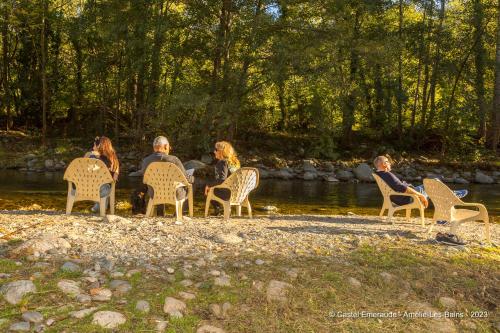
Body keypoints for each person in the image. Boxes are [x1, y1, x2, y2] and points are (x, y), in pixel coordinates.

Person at [373, 156, 467, 209]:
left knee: (433, 189)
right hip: (407, 198)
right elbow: (403, 188)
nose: (389, 163)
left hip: (399, 197)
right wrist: (421, 196)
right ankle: (452, 195)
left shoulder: (379, 174)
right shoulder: (387, 174)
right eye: (387, 161)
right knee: (435, 182)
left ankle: (451, 196)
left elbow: (399, 187)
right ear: (384, 164)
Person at [140, 136, 194, 223]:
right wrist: (192, 178)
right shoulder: (173, 160)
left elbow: (144, 178)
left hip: (154, 192)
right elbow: (186, 179)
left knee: (158, 184)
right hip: (173, 193)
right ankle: (179, 213)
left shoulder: (146, 161)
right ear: (165, 146)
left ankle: (160, 214)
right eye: (168, 147)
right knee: (189, 186)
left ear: (154, 147)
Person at [204, 141, 240, 215]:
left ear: (221, 152)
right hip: (238, 193)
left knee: (206, 188)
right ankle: (220, 210)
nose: (214, 151)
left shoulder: (222, 162)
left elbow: (221, 180)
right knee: (212, 186)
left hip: (228, 194)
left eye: (216, 150)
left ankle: (218, 210)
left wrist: (209, 185)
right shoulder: (235, 162)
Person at [87, 136, 120, 213]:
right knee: (105, 187)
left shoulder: (109, 159)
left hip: (90, 185)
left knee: (104, 187)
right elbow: (115, 178)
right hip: (96, 185)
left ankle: (99, 207)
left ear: (99, 146)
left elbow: (88, 170)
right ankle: (100, 207)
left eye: (94, 145)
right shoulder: (113, 159)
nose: (92, 148)